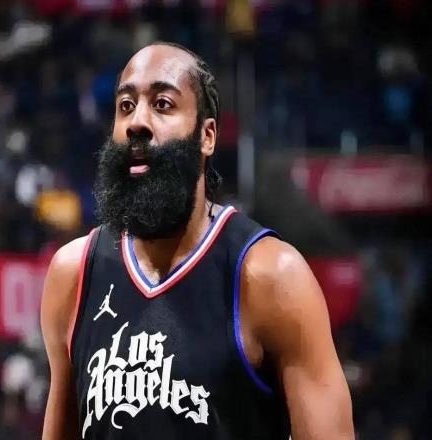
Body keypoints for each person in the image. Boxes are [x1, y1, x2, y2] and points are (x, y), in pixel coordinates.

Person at [40, 42, 354, 439]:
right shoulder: (73, 275)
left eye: (163, 104)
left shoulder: (271, 276)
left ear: (207, 136)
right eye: (126, 106)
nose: (137, 122)